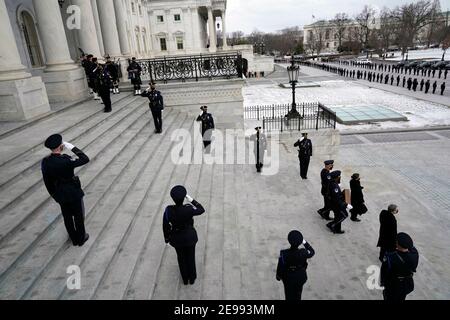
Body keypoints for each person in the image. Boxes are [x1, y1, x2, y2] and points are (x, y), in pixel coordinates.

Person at [41, 134, 90, 246]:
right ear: (61, 146)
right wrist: (73, 147)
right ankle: (81, 238)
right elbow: (85, 159)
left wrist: (54, 195)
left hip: (60, 193)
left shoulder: (45, 162)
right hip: (73, 192)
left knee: (67, 217)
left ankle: (74, 239)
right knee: (78, 216)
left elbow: (47, 181)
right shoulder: (66, 160)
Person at [163, 186, 205, 285]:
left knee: (181, 258)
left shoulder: (168, 210)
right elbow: (201, 209)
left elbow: (165, 226)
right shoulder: (188, 209)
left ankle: (185, 279)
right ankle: (192, 277)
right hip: (190, 237)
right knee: (191, 257)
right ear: (184, 198)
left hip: (177, 239)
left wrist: (167, 239)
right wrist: (192, 200)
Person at [276, 230, 315, 300]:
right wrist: (304, 242)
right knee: (298, 293)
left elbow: (280, 266)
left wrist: (278, 276)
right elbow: (312, 251)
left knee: (288, 294)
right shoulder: (304, 252)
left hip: (288, 277)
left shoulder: (284, 253)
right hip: (300, 276)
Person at [381, 232, 419, 301]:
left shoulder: (391, 257)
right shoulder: (414, 254)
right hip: (406, 284)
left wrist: (383, 282)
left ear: (397, 244)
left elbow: (384, 271)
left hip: (393, 285)